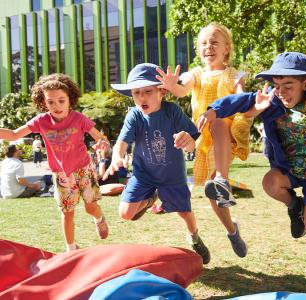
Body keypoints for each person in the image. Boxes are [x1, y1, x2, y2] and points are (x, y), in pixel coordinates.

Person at [197, 51, 306, 238]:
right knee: (269, 182)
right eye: (277, 86)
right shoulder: (272, 101)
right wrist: (213, 111)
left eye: (288, 86)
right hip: (287, 171)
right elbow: (240, 100)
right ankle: (294, 205)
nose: (281, 92)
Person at [156, 22, 250, 257]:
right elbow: (181, 91)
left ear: (226, 48)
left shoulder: (234, 75)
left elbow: (242, 100)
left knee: (218, 121)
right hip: (205, 138)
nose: (208, 46)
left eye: (214, 42)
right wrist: (171, 86)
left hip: (228, 133)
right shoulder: (196, 74)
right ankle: (232, 230)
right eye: (204, 43)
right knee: (214, 196)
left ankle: (222, 178)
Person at [105, 63, 211, 264]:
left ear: (161, 91)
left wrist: (187, 140)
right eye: (136, 93)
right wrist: (117, 156)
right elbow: (122, 141)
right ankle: (150, 199)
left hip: (172, 176)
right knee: (126, 214)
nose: (141, 97)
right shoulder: (134, 115)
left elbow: (191, 144)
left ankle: (194, 238)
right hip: (144, 174)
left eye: (147, 91)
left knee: (185, 213)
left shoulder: (172, 111)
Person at [0, 73, 110, 251]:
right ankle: (71, 249)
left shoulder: (79, 119)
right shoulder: (41, 121)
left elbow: (100, 138)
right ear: (43, 102)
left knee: (91, 208)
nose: (56, 106)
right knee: (67, 214)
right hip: (61, 174)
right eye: (51, 102)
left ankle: (99, 219)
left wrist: (102, 144)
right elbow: (13, 135)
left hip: (83, 169)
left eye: (61, 100)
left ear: (70, 99)